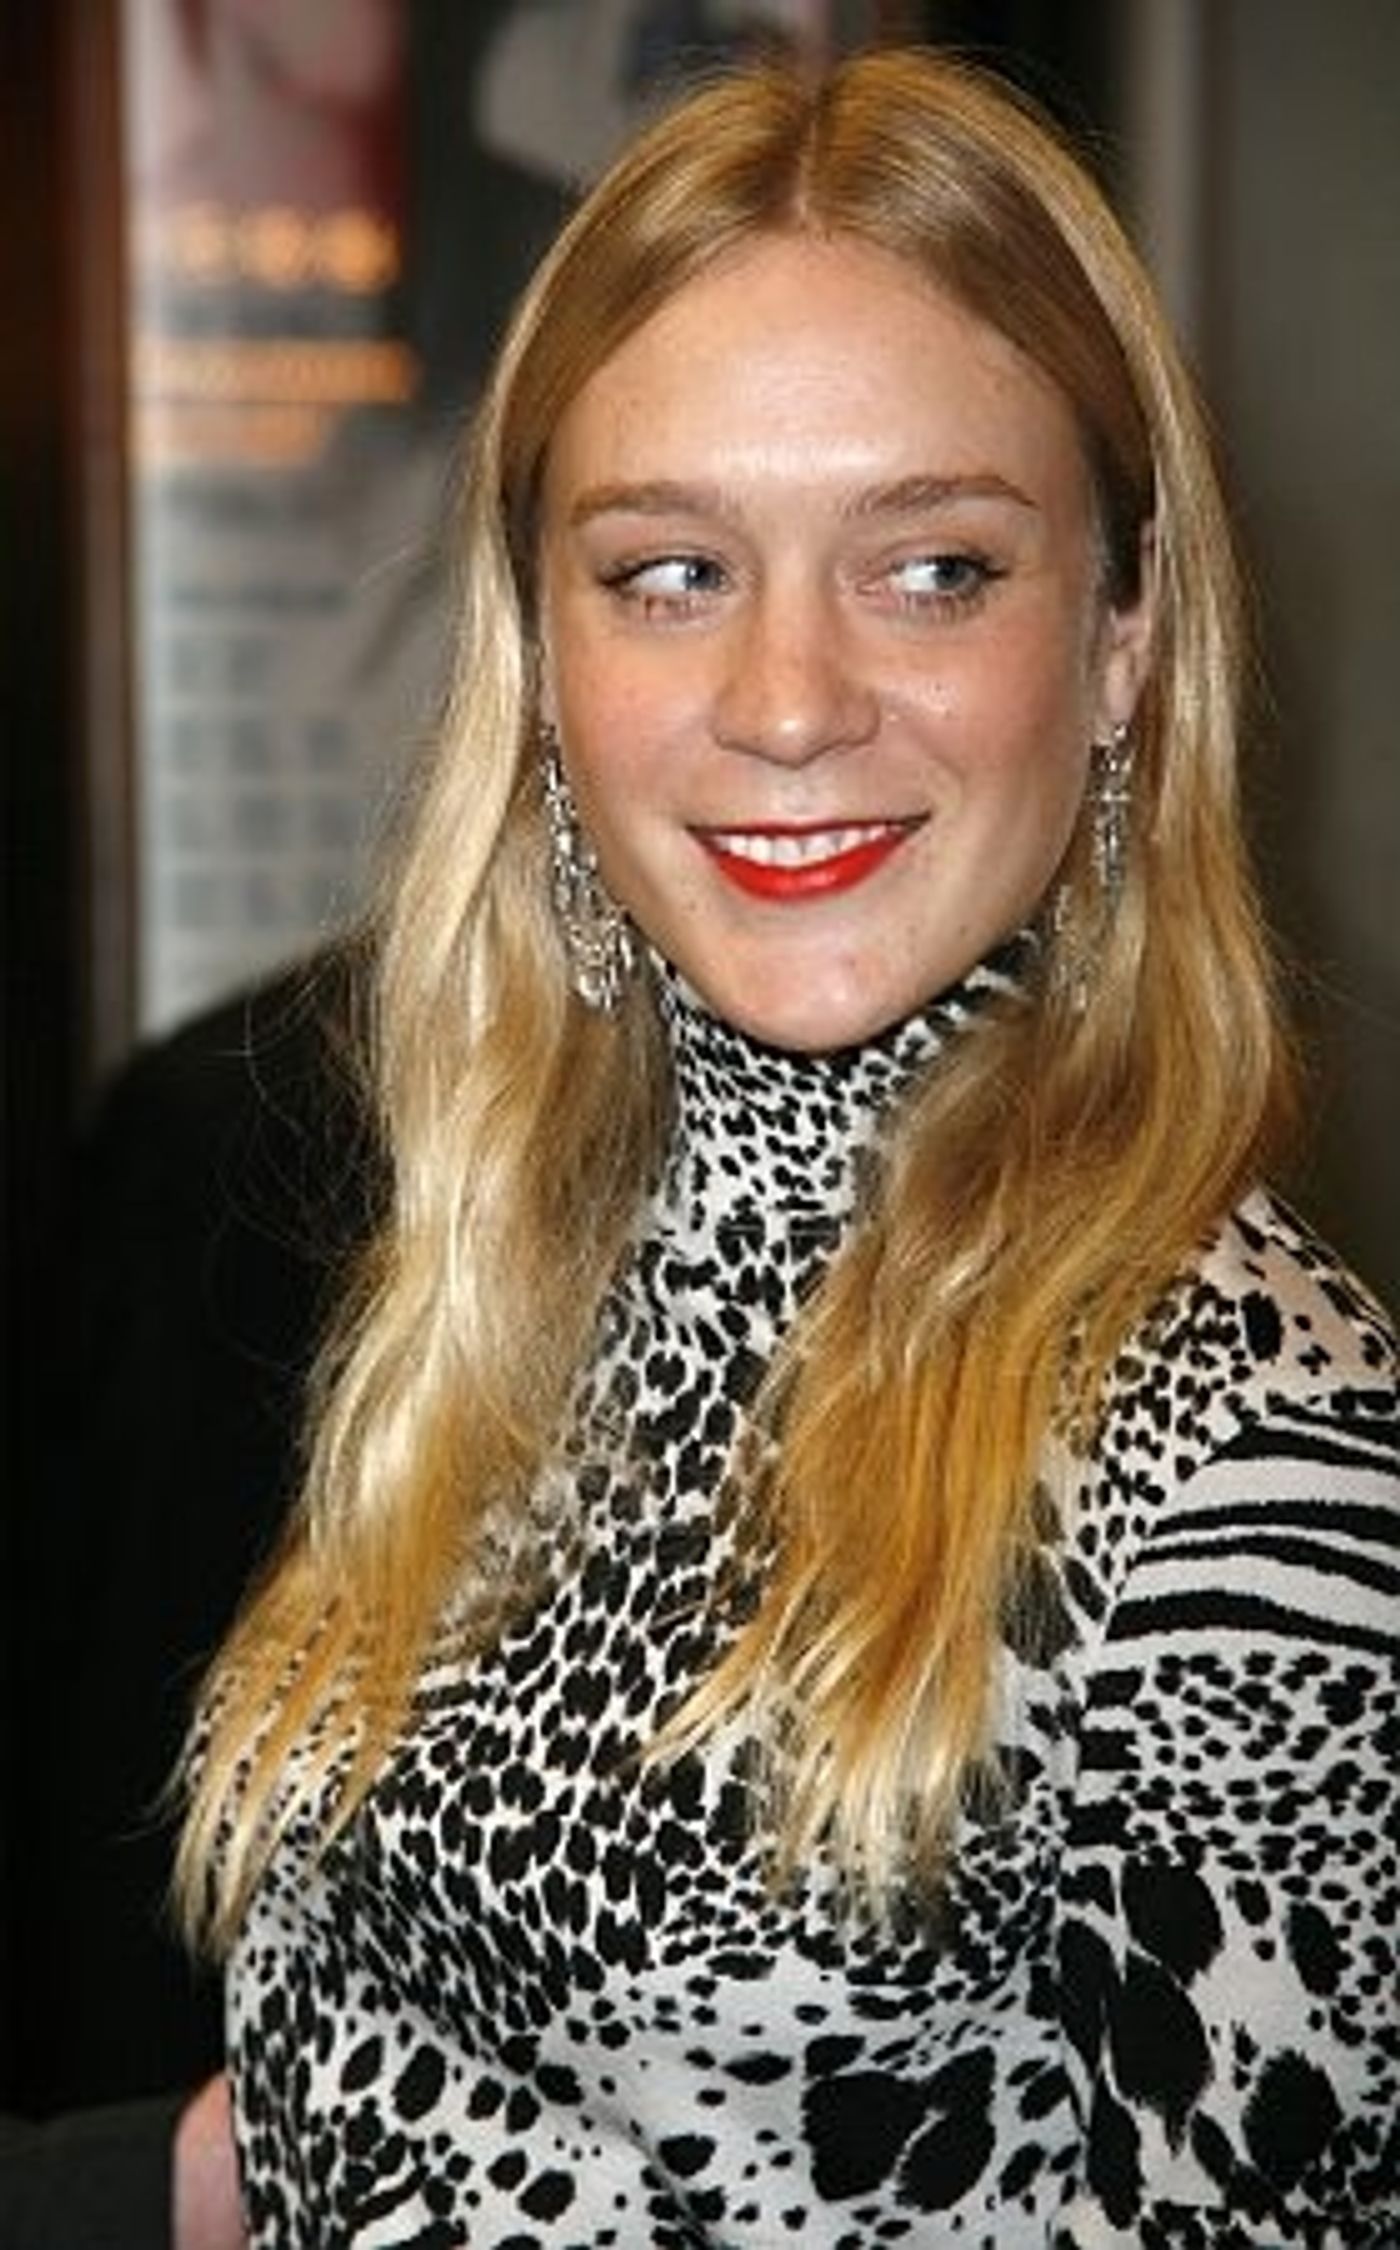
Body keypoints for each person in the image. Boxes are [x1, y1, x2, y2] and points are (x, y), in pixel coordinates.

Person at [174, 47, 1399, 2246]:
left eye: (933, 567)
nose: (789, 698)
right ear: (541, 656)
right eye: (669, 572)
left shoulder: (1254, 1471)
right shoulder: (530, 1282)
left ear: (1121, 639)